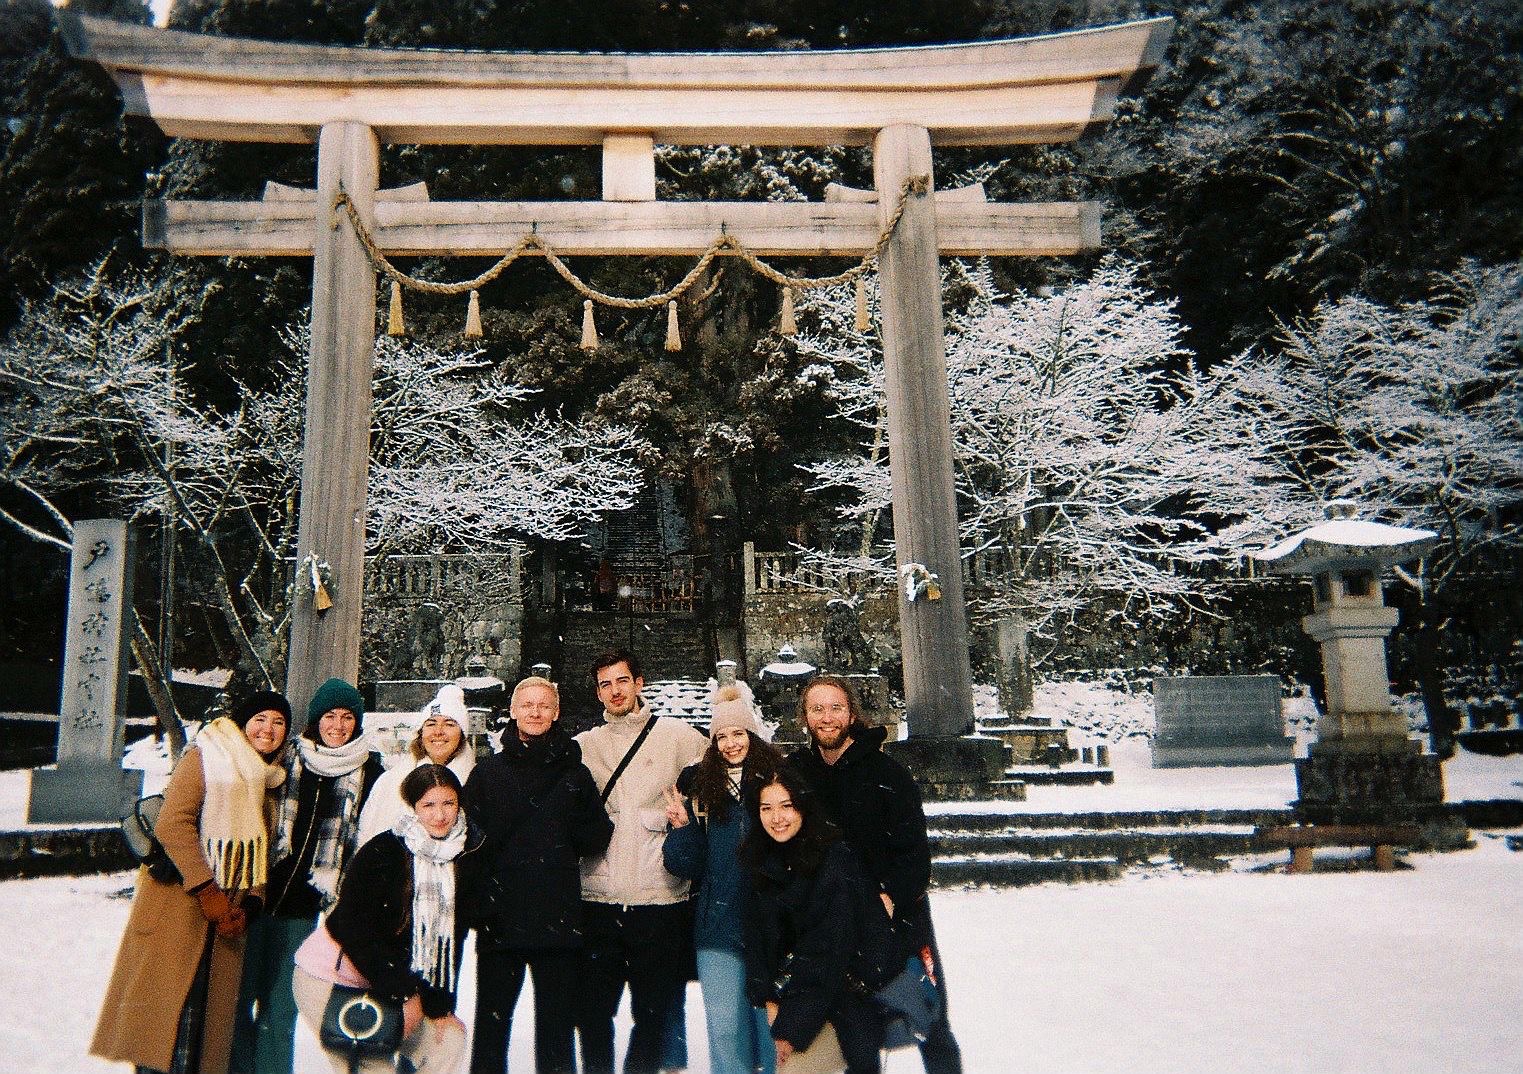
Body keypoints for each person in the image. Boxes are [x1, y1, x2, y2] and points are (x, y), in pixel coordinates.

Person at [92, 691, 291, 1074]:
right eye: (260, 718)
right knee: (167, 1018)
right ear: (242, 722)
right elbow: (173, 824)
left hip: (227, 916)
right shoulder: (207, 756)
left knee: (205, 1030)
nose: (268, 730)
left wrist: (250, 904)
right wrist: (208, 891)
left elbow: (260, 849)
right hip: (180, 904)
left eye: (279, 722)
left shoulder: (266, 778)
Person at [787, 675, 962, 1074]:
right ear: (805, 717)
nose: (827, 718)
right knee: (858, 1035)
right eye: (817, 709)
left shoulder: (888, 774)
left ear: (851, 713)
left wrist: (891, 895)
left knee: (928, 1018)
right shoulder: (795, 773)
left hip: (896, 915)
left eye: (835, 708)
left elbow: (915, 854)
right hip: (835, 922)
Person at [231, 677, 385, 1074]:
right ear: (315, 720)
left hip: (307, 910)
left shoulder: (371, 771)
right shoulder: (286, 757)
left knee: (280, 1012)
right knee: (234, 1003)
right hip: (255, 895)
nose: (337, 725)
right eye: (329, 716)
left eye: (347, 716)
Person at [291, 764, 483, 1074]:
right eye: (428, 805)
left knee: (448, 1040)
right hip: (331, 976)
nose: (440, 815)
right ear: (413, 807)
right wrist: (404, 994)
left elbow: (451, 942)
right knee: (373, 1064)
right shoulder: (383, 851)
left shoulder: (462, 858)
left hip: (391, 983)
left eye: (448, 803)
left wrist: (439, 1007)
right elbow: (357, 931)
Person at [463, 675, 613, 1074]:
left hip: (556, 915)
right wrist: (481, 903)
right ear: (512, 712)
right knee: (492, 1027)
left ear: (556, 712)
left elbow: (596, 834)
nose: (535, 712)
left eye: (544, 705)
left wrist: (561, 834)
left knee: (556, 1029)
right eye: (526, 705)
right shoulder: (487, 774)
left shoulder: (575, 775)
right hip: (502, 915)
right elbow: (470, 845)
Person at [574, 649, 709, 1074]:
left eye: (621, 681)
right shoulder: (585, 746)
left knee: (652, 1015)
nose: (614, 691)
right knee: (592, 1013)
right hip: (599, 896)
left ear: (639, 683)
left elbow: (724, 761)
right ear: (597, 692)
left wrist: (689, 815)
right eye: (605, 684)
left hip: (659, 899)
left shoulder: (676, 736)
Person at [741, 766, 900, 1074]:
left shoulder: (833, 860)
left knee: (797, 1070)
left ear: (802, 806)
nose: (777, 818)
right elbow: (757, 938)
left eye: (787, 806)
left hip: (846, 995)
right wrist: (769, 997)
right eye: (766, 808)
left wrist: (791, 1028)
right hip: (800, 994)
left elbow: (826, 953)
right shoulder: (759, 860)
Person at [663, 683, 785, 1074]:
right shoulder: (700, 789)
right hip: (718, 922)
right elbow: (686, 865)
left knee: (772, 1028)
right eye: (721, 736)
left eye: (738, 734)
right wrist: (682, 829)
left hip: (771, 922)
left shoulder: (778, 783)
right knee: (725, 1030)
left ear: (752, 735)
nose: (731, 743)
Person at [356, 684, 475, 848]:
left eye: (449, 724)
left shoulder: (477, 783)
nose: (438, 731)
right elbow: (366, 838)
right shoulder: (391, 781)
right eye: (431, 724)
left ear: (462, 734)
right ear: (421, 733)